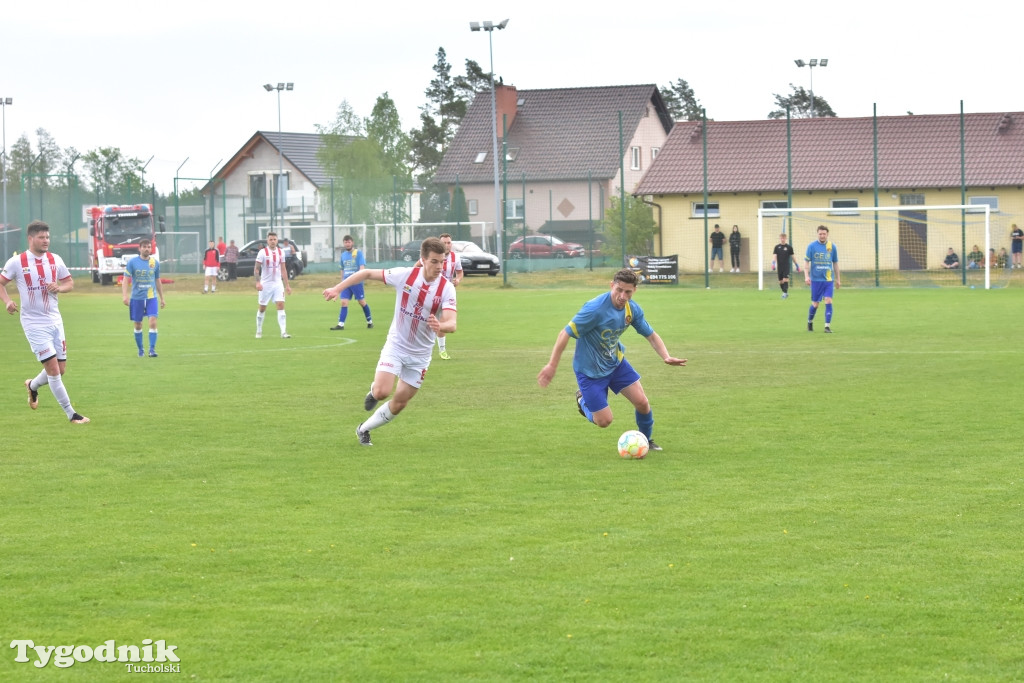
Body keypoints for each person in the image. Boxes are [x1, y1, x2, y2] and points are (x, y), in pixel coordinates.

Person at [323, 237, 457, 447]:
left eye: (442, 261)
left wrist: (441, 326)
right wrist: (337, 288)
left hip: (420, 356)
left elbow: (452, 323)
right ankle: (374, 390)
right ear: (422, 259)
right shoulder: (404, 275)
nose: (439, 266)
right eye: (434, 261)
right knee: (382, 392)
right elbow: (366, 273)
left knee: (400, 402)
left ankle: (364, 428)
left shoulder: (447, 288)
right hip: (396, 346)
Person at [536, 268, 687, 452]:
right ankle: (582, 400)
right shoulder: (594, 309)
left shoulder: (632, 309)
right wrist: (552, 365)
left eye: (628, 292)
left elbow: (651, 335)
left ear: (634, 291)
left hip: (615, 363)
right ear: (611, 286)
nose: (622, 296)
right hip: (589, 370)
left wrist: (666, 356)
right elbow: (564, 333)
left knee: (642, 402)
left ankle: (646, 440)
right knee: (604, 421)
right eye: (619, 290)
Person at [0, 220, 90, 424]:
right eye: (41, 237)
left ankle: (32, 385)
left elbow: (69, 283)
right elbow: (1, 283)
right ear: (31, 238)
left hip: (55, 321)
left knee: (61, 369)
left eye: (47, 237)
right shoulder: (17, 262)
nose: (46, 240)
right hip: (33, 323)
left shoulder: (55, 259)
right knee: (53, 370)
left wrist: (59, 288)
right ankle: (72, 415)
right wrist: (7, 302)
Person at [121, 238, 165, 357]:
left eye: (149, 247)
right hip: (136, 298)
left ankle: (152, 349)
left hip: (151, 297)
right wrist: (125, 296)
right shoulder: (132, 262)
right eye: (144, 246)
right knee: (138, 324)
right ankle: (140, 349)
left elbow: (157, 280)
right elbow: (125, 279)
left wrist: (162, 298)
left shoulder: (154, 263)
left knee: (153, 321)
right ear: (139, 248)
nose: (147, 249)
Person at [329, 234, 373, 331]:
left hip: (356, 282)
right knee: (344, 302)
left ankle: (370, 321)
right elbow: (342, 269)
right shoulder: (343, 255)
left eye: (349, 242)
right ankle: (340, 325)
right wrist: (341, 283)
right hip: (346, 283)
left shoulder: (358, 253)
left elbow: (362, 267)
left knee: (361, 302)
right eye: (345, 242)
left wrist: (361, 278)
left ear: (352, 243)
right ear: (344, 243)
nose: (347, 244)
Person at [254, 231, 292, 339]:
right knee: (262, 308)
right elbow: (256, 269)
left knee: (280, 305)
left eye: (274, 239)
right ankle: (259, 330)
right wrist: (258, 282)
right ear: (267, 240)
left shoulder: (281, 252)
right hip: (265, 284)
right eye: (271, 239)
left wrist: (287, 285)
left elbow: (283, 269)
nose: (273, 241)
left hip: (278, 284)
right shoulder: (262, 252)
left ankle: (283, 332)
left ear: (277, 240)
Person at [804, 225, 840, 333]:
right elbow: (806, 262)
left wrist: (838, 279)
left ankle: (827, 327)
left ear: (827, 234)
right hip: (816, 280)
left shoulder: (832, 247)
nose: (822, 235)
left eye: (824, 233)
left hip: (828, 280)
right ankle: (810, 322)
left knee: (828, 300)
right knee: (815, 304)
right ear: (817, 234)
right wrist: (806, 276)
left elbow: (835, 263)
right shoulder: (811, 246)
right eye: (820, 234)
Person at [434, 233, 463, 359]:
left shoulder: (455, 257)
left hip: (447, 293)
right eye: (444, 243)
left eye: (449, 242)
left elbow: (460, 272)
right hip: (432, 292)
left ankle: (442, 350)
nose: (447, 245)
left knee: (444, 321)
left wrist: (458, 280)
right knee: (423, 321)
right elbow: (417, 267)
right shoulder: (432, 256)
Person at [771, 232, 796, 298]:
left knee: (785, 279)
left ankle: (784, 293)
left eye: (784, 238)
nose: (782, 239)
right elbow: (774, 256)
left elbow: (793, 257)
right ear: (780, 238)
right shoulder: (777, 247)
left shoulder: (789, 247)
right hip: (780, 267)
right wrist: (773, 263)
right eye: (781, 238)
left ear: (786, 238)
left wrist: (797, 265)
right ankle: (785, 292)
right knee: (781, 282)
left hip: (786, 266)